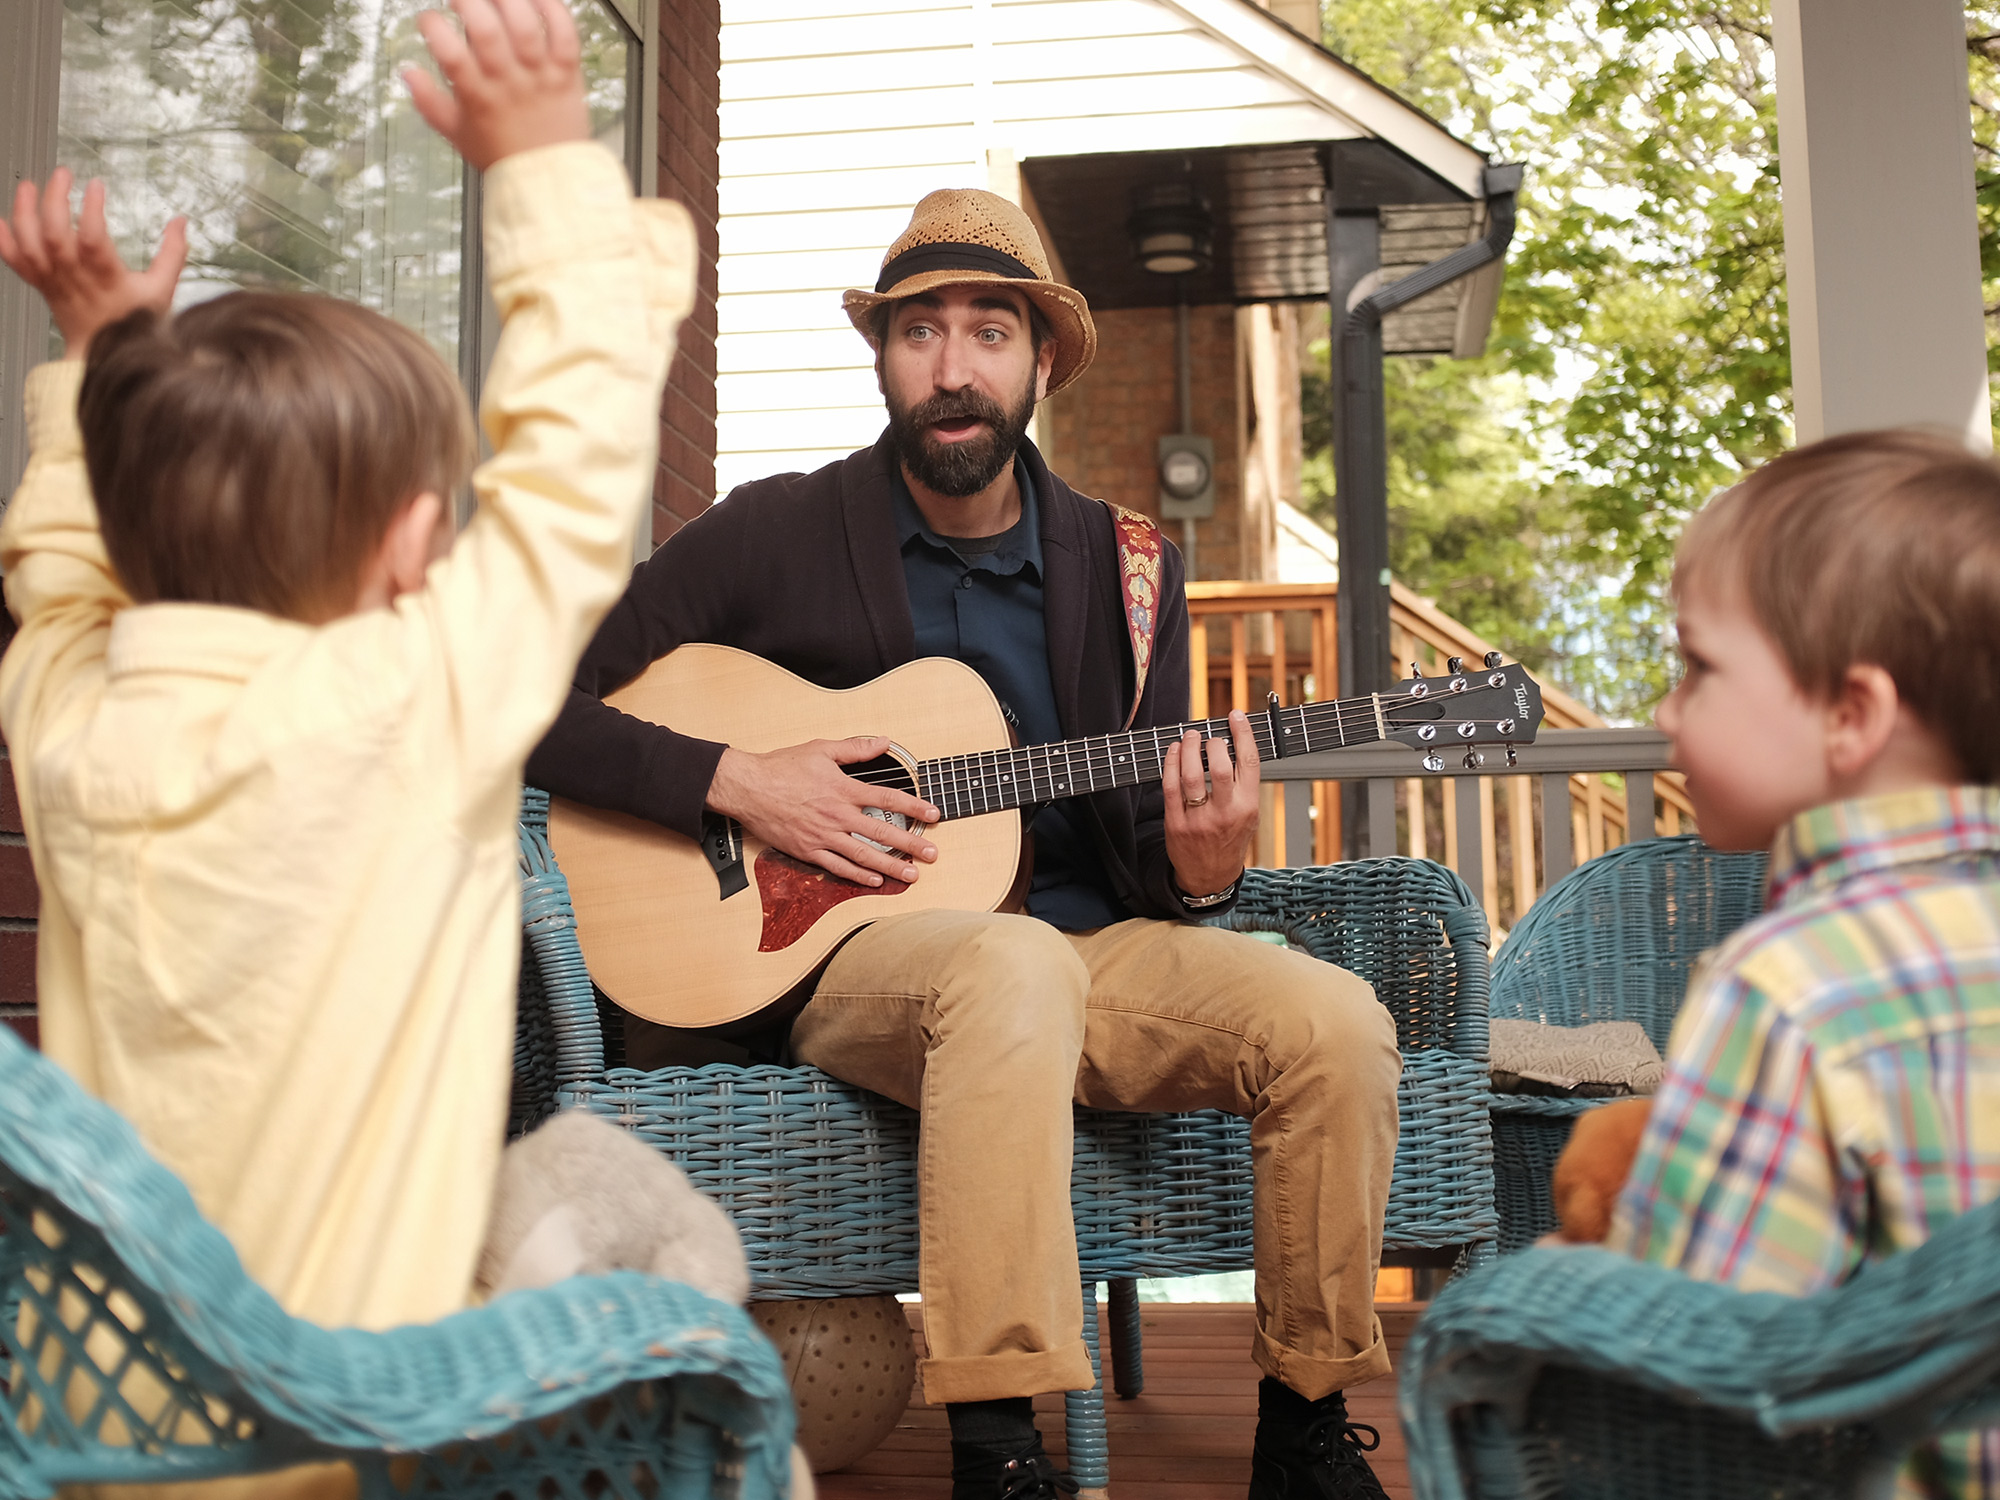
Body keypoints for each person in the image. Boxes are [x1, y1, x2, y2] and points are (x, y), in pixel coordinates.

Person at [527, 189, 1403, 1500]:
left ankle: (1307, 1423)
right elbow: (528, 704)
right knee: (1010, 971)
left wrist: (1205, 869)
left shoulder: (1131, 569)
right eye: (919, 332)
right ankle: (999, 1444)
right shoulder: (774, 533)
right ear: (881, 358)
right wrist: (737, 779)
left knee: (1333, 1019)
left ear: (1041, 360)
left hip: (1087, 958)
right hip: (852, 972)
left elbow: (1147, 851)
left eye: (989, 332)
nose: (952, 368)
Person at [0, 0, 690, 1387]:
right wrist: (551, 158)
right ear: (405, 551)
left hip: (111, 1428)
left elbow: (61, 587)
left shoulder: (67, 724)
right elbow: (576, 473)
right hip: (350, 1429)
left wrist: (99, 359)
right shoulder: (412, 703)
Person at [1604, 430, 2000, 1497]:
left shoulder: (1787, 990)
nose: (1663, 710)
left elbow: (1690, 1366)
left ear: (1848, 714)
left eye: (1695, 666)